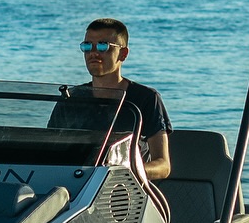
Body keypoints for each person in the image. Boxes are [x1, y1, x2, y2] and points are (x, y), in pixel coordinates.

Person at [68, 17, 172, 180]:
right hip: (76, 183)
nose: (93, 53)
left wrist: (126, 172)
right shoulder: (72, 98)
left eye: (103, 46)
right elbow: (51, 151)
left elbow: (163, 165)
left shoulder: (146, 98)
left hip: (124, 190)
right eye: (87, 46)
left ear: (123, 54)